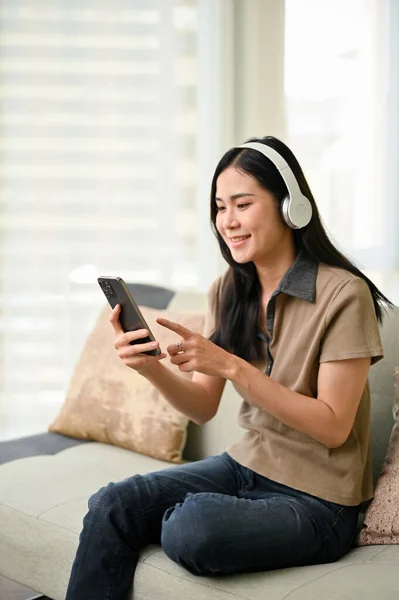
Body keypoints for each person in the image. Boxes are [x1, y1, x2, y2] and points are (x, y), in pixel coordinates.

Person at [65, 136, 392, 599]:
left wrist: (235, 368)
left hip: (320, 502)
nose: (228, 221)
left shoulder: (343, 294)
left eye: (243, 203)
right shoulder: (229, 290)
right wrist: (150, 367)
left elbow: (334, 427)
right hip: (247, 467)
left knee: (191, 529)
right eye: (220, 207)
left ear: (290, 206)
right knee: (112, 504)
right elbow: (201, 406)